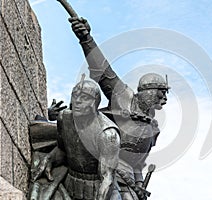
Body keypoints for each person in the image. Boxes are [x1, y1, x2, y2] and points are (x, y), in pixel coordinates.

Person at [68, 17, 170, 200]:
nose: (164, 98)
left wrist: (140, 186)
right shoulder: (123, 97)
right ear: (147, 90)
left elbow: (138, 163)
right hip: (102, 167)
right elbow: (102, 70)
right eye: (161, 92)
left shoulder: (151, 127)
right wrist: (86, 39)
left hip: (128, 180)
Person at [30, 76, 121, 200]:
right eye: (75, 95)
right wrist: (50, 158)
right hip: (71, 183)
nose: (78, 101)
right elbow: (62, 150)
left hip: (100, 191)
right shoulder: (64, 118)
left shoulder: (108, 134)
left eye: (84, 98)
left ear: (95, 102)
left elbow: (107, 179)